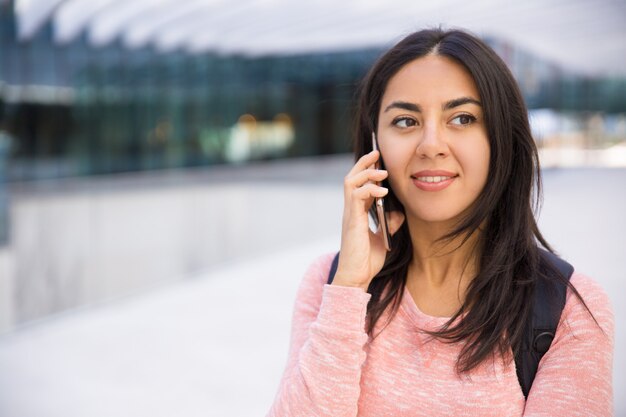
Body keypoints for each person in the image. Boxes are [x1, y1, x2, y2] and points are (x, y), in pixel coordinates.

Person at [267, 28, 614, 417]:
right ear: (374, 144)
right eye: (405, 121)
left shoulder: (567, 309)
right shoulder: (329, 283)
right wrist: (350, 285)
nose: (431, 144)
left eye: (462, 118)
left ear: (502, 137)